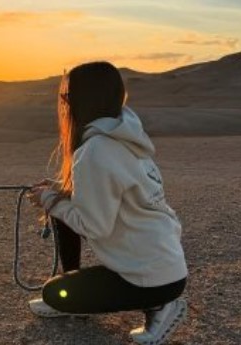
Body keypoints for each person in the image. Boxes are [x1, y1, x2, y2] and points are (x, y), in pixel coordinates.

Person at [26, 61, 188, 345]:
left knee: (55, 293)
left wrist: (49, 200)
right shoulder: (126, 140)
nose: (65, 105)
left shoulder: (95, 151)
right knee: (62, 209)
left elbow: (94, 227)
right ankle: (77, 301)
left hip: (149, 279)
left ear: (77, 101)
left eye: (67, 98)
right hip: (168, 268)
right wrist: (58, 193)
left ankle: (161, 307)